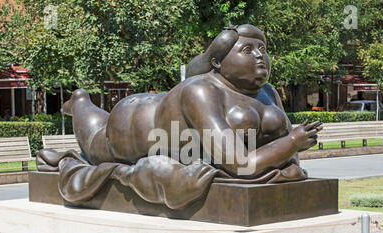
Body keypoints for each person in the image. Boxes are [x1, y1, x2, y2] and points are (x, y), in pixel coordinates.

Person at [62, 24, 322, 181]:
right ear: (218, 63)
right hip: (132, 124)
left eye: (262, 50)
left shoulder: (268, 92)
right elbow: (239, 164)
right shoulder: (200, 91)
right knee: (97, 140)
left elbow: (290, 153)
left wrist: (292, 152)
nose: (259, 56)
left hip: (161, 112)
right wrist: (291, 143)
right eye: (247, 50)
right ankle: (79, 101)